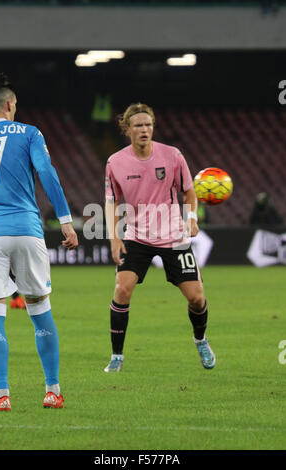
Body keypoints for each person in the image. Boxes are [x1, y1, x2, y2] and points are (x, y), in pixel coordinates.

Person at [0, 73, 78, 411]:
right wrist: (66, 221)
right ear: (10, 105)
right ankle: (52, 391)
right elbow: (48, 173)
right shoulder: (29, 133)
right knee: (40, 311)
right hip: (27, 230)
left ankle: (1, 395)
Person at [104, 103, 215, 373]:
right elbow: (111, 201)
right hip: (137, 236)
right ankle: (117, 356)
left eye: (148, 125)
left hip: (173, 235)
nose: (144, 130)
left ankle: (200, 339)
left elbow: (189, 193)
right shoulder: (115, 162)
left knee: (197, 298)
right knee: (122, 290)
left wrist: (191, 218)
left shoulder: (172, 156)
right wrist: (114, 237)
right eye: (139, 125)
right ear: (127, 129)